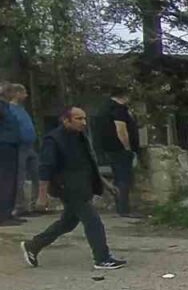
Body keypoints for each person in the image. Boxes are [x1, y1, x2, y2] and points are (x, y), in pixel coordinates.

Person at [20, 107, 126, 270]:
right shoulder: (53, 140)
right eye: (78, 119)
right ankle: (102, 258)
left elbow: (89, 164)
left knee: (67, 223)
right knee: (93, 221)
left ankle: (33, 245)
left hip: (83, 186)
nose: (83, 123)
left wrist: (106, 184)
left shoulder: (80, 137)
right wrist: (42, 196)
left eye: (84, 119)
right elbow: (45, 168)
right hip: (69, 188)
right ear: (65, 120)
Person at [92, 88, 141, 217]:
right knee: (123, 179)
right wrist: (128, 147)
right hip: (119, 150)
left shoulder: (103, 109)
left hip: (108, 149)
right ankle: (123, 209)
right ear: (124, 97)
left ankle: (121, 207)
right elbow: (121, 130)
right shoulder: (118, 109)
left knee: (119, 177)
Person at [4, 84, 40, 217]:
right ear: (16, 93)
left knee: (37, 174)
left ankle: (33, 204)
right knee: (20, 177)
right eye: (24, 93)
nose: (26, 95)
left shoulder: (22, 109)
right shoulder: (9, 109)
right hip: (19, 147)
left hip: (30, 146)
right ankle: (20, 206)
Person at [0, 83, 22, 226]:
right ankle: (3, 215)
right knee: (5, 181)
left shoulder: (7, 107)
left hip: (12, 145)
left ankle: (9, 212)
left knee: (12, 180)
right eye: (9, 91)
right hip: (3, 145)